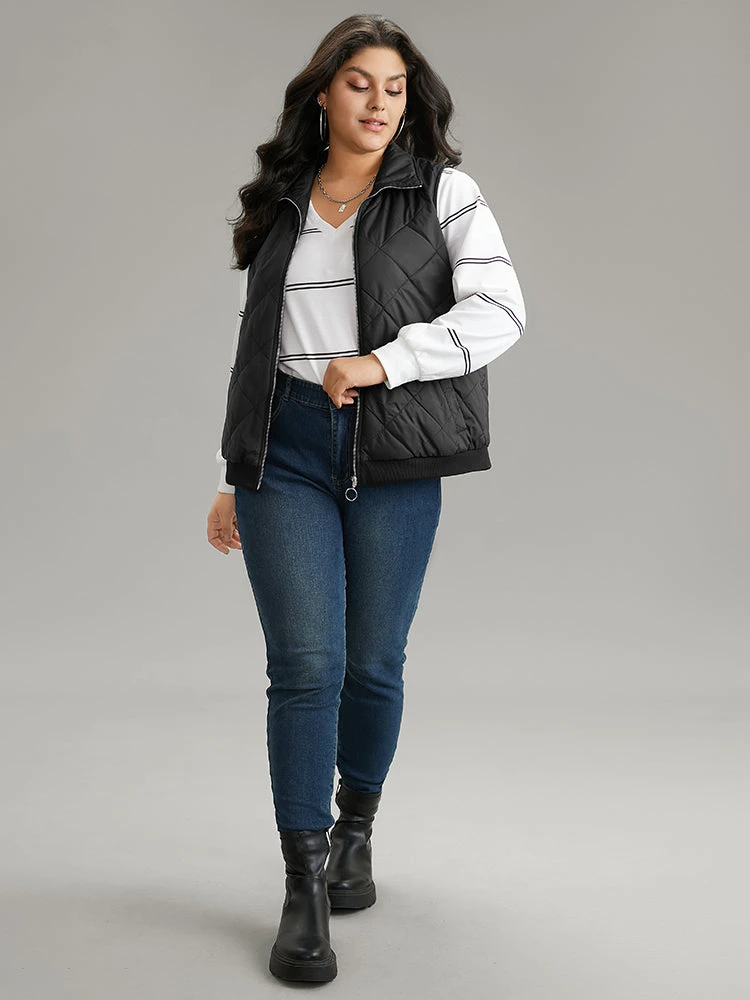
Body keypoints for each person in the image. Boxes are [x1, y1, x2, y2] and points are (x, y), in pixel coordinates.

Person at [206, 14, 526, 985]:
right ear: (322, 94)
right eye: (359, 84)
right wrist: (232, 470)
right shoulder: (283, 198)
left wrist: (386, 362)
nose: (379, 103)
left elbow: (501, 311)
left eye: (395, 87)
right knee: (306, 664)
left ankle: (356, 828)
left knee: (374, 663)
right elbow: (255, 342)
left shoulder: (444, 193)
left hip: (392, 451)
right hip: (285, 452)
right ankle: (303, 885)